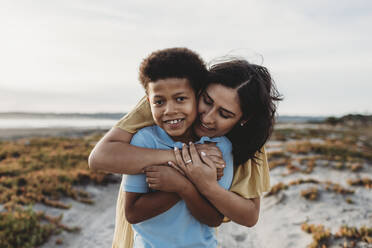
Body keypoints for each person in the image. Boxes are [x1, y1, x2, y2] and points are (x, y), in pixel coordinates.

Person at [89, 52, 282, 248]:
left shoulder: (241, 141)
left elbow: (248, 215)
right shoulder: (166, 101)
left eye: (224, 114)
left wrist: (203, 185)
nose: (207, 118)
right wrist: (188, 159)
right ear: (198, 89)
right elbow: (100, 158)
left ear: (243, 119)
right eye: (206, 101)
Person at [118, 47, 235, 247]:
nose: (169, 110)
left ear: (198, 97)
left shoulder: (218, 147)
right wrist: (188, 177)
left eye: (180, 99)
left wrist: (183, 187)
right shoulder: (144, 142)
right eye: (159, 102)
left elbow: (214, 218)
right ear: (149, 102)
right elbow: (132, 213)